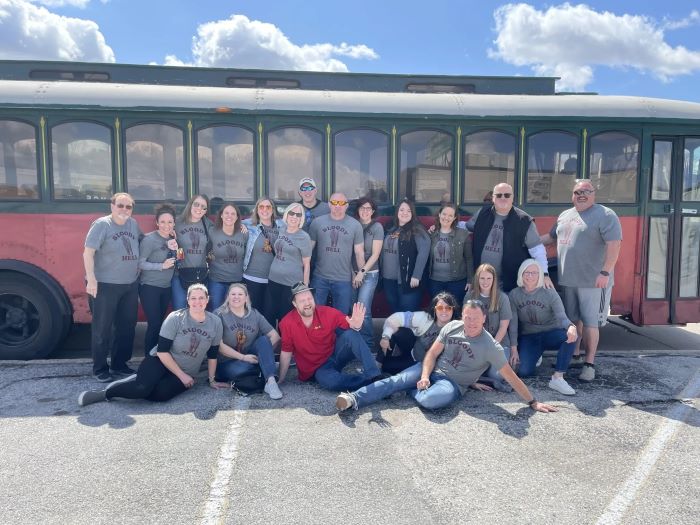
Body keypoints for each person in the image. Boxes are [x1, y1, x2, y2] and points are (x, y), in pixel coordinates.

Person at [335, 300, 557, 413]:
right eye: (467, 317)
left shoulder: (491, 346)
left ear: (484, 319)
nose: (470, 323)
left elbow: (511, 377)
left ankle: (410, 391)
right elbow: (432, 353)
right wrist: (424, 375)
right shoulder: (452, 326)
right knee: (395, 380)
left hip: (452, 384)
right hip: (431, 369)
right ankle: (354, 398)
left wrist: (533, 402)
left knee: (430, 400)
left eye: (475, 319)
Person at [78, 284, 225, 406]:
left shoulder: (215, 322)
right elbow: (162, 351)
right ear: (187, 300)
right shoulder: (176, 318)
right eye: (193, 298)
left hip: (186, 370)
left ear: (207, 300)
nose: (197, 302)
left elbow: (212, 354)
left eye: (201, 298)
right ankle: (106, 393)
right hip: (161, 361)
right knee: (141, 389)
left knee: (161, 395)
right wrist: (182, 376)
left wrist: (212, 380)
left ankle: (142, 379)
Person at [540, 179, 622, 381]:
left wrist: (605, 272)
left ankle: (589, 364)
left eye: (586, 191)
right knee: (573, 321)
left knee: (591, 323)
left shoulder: (606, 215)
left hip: (594, 282)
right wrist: (527, 243)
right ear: (572, 195)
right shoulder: (565, 215)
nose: (581, 195)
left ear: (594, 193)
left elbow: (614, 245)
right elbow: (550, 238)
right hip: (569, 280)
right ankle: (574, 355)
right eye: (577, 192)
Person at [278, 282, 381, 391]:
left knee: (351, 334)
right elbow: (286, 352)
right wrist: (280, 379)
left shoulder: (326, 312)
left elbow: (348, 323)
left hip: (335, 356)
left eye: (309, 298)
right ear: (294, 304)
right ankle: (370, 383)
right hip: (317, 369)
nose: (307, 303)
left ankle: (375, 375)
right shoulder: (287, 323)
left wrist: (356, 325)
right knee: (331, 382)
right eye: (302, 301)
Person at [83, 192, 142, 382]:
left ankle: (120, 365)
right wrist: (91, 279)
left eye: (128, 207)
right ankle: (100, 369)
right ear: (112, 206)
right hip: (105, 285)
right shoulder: (102, 224)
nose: (124, 210)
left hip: (129, 285)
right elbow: (88, 253)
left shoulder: (133, 224)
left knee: (126, 327)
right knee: (102, 328)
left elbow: (142, 242)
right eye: (121, 205)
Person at [509, 259, 578, 395]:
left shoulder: (550, 293)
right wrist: (514, 349)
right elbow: (513, 324)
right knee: (524, 372)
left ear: (540, 275)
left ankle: (558, 377)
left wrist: (571, 326)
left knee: (570, 336)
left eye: (534, 273)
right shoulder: (514, 294)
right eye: (526, 272)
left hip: (550, 333)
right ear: (521, 274)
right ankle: (536, 354)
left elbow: (562, 317)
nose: (530, 276)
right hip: (529, 336)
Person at [467, 182, 551, 292]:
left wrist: (544, 274)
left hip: (508, 284)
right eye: (498, 195)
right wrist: (442, 226)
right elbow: (467, 227)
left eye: (507, 195)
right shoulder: (482, 213)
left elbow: (538, 250)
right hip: (482, 282)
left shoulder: (524, 220)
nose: (503, 198)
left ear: (512, 198)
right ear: (493, 198)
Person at [215, 283, 283, 400]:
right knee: (241, 370)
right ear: (228, 297)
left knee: (264, 340)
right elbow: (220, 346)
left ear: (246, 298)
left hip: (250, 357)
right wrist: (243, 357)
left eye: (240, 294)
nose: (236, 297)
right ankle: (267, 366)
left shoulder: (254, 314)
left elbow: (275, 336)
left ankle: (271, 382)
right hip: (227, 362)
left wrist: (263, 354)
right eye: (233, 294)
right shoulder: (219, 314)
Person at [308, 192, 365, 315]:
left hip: (343, 280)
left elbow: (359, 253)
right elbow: (308, 250)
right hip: (320, 277)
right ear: (329, 204)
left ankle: (339, 335)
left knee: (341, 316)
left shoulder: (355, 225)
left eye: (341, 203)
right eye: (334, 202)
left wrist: (361, 272)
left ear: (346, 206)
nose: (337, 206)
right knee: (315, 314)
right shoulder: (317, 223)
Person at [378, 292, 458, 375]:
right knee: (397, 331)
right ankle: (378, 364)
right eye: (440, 308)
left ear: (453, 310)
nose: (444, 311)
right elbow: (395, 318)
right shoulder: (425, 318)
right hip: (414, 356)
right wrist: (385, 337)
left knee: (388, 367)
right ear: (434, 309)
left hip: (429, 367)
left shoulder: (458, 327)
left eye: (448, 308)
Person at [467, 263, 516, 390]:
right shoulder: (470, 296)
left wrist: (491, 347)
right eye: (482, 278)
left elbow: (503, 326)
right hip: (476, 344)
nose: (485, 282)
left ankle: (487, 378)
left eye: (489, 278)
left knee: (496, 375)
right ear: (477, 279)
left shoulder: (502, 298)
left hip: (499, 343)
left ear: (494, 280)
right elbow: (466, 324)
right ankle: (480, 379)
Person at [138, 203, 178, 353]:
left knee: (160, 324)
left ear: (174, 223)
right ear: (156, 222)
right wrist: (161, 266)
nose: (166, 225)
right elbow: (140, 263)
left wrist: (176, 249)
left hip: (166, 287)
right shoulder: (149, 240)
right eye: (162, 222)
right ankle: (149, 357)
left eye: (170, 222)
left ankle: (157, 356)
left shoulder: (174, 239)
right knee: (154, 324)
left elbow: (178, 261)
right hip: (150, 287)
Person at [264, 202, 312, 327]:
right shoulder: (281, 229)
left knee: (284, 319)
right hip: (273, 280)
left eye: (298, 214)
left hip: (291, 284)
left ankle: (284, 345)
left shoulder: (304, 237)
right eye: (291, 213)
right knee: (268, 315)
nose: (294, 217)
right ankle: (271, 345)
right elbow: (261, 221)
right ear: (287, 214)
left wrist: (304, 288)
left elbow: (307, 264)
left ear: (301, 218)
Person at [381, 198, 430, 312]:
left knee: (408, 314)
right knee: (395, 312)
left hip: (407, 280)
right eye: (402, 210)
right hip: (388, 280)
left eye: (409, 211)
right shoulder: (390, 228)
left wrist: (416, 275)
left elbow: (423, 253)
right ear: (397, 212)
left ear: (413, 214)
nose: (405, 213)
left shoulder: (418, 230)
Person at [351, 197, 384, 350]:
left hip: (369, 273)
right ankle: (354, 343)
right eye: (362, 208)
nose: (365, 211)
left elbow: (375, 255)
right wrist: (353, 272)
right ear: (358, 210)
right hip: (352, 273)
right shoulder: (352, 225)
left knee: (363, 307)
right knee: (352, 308)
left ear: (373, 211)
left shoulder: (377, 227)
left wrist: (361, 273)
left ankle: (369, 345)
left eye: (368, 208)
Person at [241, 196, 282, 315]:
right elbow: (231, 222)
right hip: (251, 279)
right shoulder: (249, 225)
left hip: (273, 280)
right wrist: (239, 225)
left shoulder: (282, 226)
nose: (265, 209)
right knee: (252, 315)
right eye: (261, 206)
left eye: (268, 206)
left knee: (269, 315)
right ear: (256, 209)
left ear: (273, 209)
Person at [172, 194, 214, 310]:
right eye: (196, 204)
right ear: (190, 205)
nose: (199, 209)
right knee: (179, 310)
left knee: (199, 309)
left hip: (200, 274)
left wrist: (242, 226)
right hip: (179, 273)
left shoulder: (208, 224)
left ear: (206, 211)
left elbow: (224, 232)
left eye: (203, 207)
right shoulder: (177, 223)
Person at [428, 202, 473, 304]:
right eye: (444, 214)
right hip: (435, 281)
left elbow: (469, 258)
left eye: (450, 215)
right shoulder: (431, 234)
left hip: (457, 282)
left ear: (454, 218)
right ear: (439, 214)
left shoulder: (463, 234)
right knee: (438, 311)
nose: (446, 218)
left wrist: (470, 280)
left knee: (455, 311)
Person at [208, 202, 248, 310]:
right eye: (226, 213)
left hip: (237, 283)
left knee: (234, 314)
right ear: (221, 215)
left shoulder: (243, 233)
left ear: (237, 217)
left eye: (233, 214)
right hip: (216, 281)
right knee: (216, 313)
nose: (229, 216)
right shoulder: (212, 232)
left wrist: (244, 225)